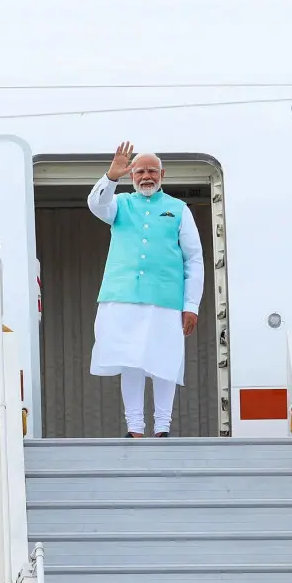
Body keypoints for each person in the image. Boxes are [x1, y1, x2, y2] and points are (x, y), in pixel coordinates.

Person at [86, 142, 204, 438]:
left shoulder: (178, 208)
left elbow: (194, 258)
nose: (146, 176)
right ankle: (135, 428)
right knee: (131, 361)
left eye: (152, 170)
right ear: (132, 175)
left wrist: (192, 305)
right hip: (122, 295)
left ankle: (162, 427)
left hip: (165, 299)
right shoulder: (120, 204)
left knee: (164, 360)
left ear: (163, 174)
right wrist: (111, 177)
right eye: (140, 171)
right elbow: (97, 205)